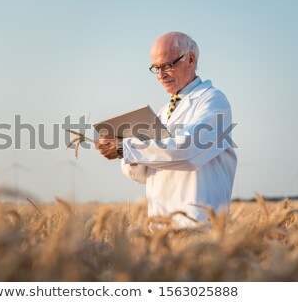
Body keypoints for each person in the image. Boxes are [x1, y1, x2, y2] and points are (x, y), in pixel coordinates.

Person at [95, 32, 237, 228]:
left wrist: (125, 147)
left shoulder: (213, 101)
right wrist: (124, 152)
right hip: (160, 227)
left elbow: (187, 151)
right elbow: (143, 174)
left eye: (168, 65)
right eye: (156, 68)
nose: (161, 75)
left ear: (190, 59)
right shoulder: (163, 113)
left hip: (198, 226)